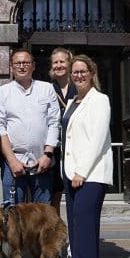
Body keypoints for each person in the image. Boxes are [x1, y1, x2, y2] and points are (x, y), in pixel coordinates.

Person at [62, 54, 113, 258]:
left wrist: (81, 171)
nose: (78, 75)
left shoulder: (99, 100)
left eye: (83, 71)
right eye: (75, 72)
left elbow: (98, 139)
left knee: (84, 227)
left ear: (92, 73)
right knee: (76, 227)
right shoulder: (73, 101)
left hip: (90, 174)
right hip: (70, 172)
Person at [0, 49, 60, 205]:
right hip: (14, 163)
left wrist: (48, 155)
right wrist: (12, 160)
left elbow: (54, 122)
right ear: (11, 67)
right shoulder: (2, 92)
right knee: (14, 216)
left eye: (26, 63)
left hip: (42, 163)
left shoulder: (47, 89)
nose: (22, 66)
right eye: (18, 63)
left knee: (41, 218)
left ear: (33, 66)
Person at [49, 47, 76, 213]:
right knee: (54, 193)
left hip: (74, 146)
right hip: (55, 146)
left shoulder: (79, 86)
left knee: (74, 191)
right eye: (55, 62)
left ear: (69, 64)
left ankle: (76, 233)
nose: (59, 65)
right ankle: (57, 234)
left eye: (62, 61)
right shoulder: (47, 88)